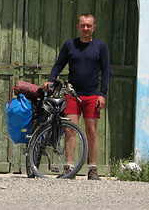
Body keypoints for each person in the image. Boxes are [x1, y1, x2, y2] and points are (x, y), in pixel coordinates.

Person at [44, 13, 110, 180]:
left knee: (91, 131)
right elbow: (59, 64)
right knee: (69, 129)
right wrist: (50, 80)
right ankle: (69, 168)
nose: (86, 29)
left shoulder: (100, 47)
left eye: (89, 26)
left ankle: (93, 169)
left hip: (92, 96)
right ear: (78, 27)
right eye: (83, 25)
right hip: (73, 94)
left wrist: (102, 94)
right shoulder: (70, 45)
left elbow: (106, 71)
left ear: (94, 28)